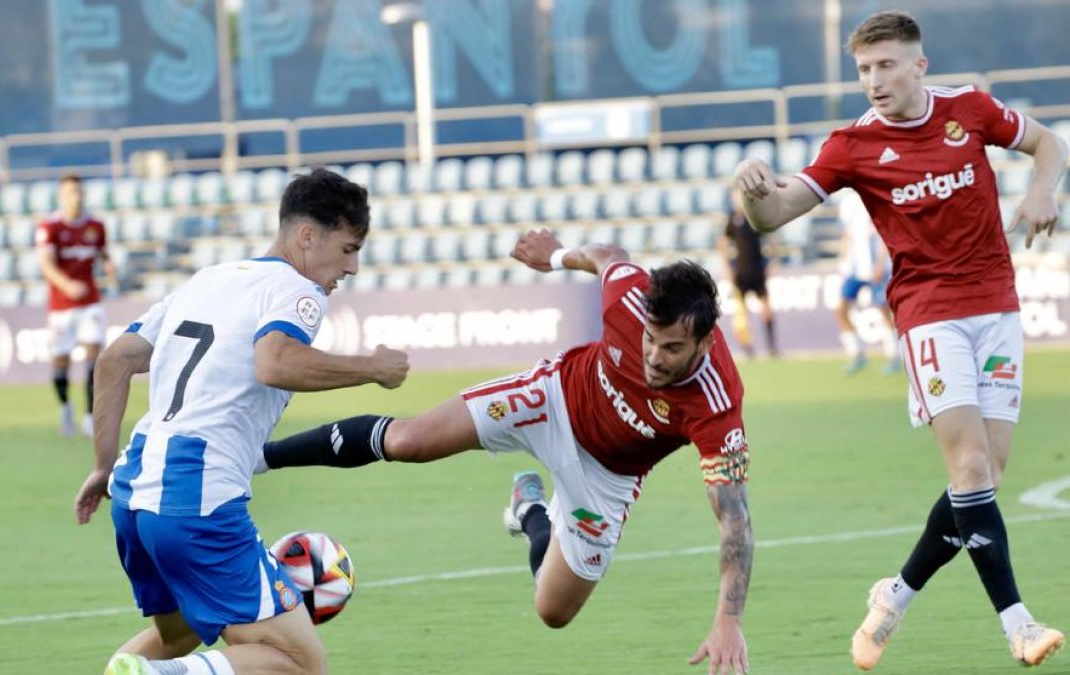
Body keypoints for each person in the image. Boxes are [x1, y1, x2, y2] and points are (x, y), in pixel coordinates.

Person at [733, 10, 1067, 670]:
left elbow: (1050, 143)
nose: (874, 81)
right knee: (970, 469)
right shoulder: (851, 146)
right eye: (863, 69)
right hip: (929, 314)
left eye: (886, 65)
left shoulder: (969, 108)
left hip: (996, 308)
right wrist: (751, 192)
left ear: (920, 65)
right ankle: (1018, 623)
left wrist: (1040, 193)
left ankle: (896, 593)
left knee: (984, 479)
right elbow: (773, 215)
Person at [263, 230, 755, 675]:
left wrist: (728, 621)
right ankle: (260, 458)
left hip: (607, 475)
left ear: (705, 341)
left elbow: (734, 521)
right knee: (409, 441)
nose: (652, 357)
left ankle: (530, 511)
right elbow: (610, 256)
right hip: (552, 399)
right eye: (649, 339)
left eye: (671, 348)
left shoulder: (716, 406)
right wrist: (557, 255)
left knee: (552, 611)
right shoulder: (629, 296)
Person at [72, 168, 410, 675]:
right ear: (307, 236)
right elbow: (274, 362)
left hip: (133, 489)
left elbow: (114, 360)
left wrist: (101, 466)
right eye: (348, 249)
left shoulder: (209, 279)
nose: (354, 267)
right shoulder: (299, 292)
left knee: (179, 631)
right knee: (298, 661)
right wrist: (373, 369)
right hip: (196, 497)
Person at [36, 174, 118, 437]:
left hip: (90, 301)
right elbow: (46, 264)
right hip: (61, 305)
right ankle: (65, 405)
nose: (76, 196)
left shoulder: (95, 225)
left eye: (79, 192)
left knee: (95, 352)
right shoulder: (50, 227)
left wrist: (108, 263)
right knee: (61, 362)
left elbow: (102, 250)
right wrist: (67, 285)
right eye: (71, 192)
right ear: (62, 196)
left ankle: (89, 415)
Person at [833, 192, 900, 375]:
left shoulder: (872, 195)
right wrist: (843, 261)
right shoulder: (847, 202)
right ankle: (856, 354)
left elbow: (884, 232)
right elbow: (848, 234)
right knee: (840, 309)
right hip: (856, 267)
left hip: (875, 266)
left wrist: (880, 261)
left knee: (883, 310)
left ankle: (894, 355)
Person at [716, 189, 778, 358]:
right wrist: (726, 267)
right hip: (741, 272)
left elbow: (771, 237)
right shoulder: (732, 220)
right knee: (741, 314)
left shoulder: (754, 217)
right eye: (735, 199)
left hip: (757, 270)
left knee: (766, 309)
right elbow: (723, 243)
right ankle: (748, 348)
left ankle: (772, 347)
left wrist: (772, 261)